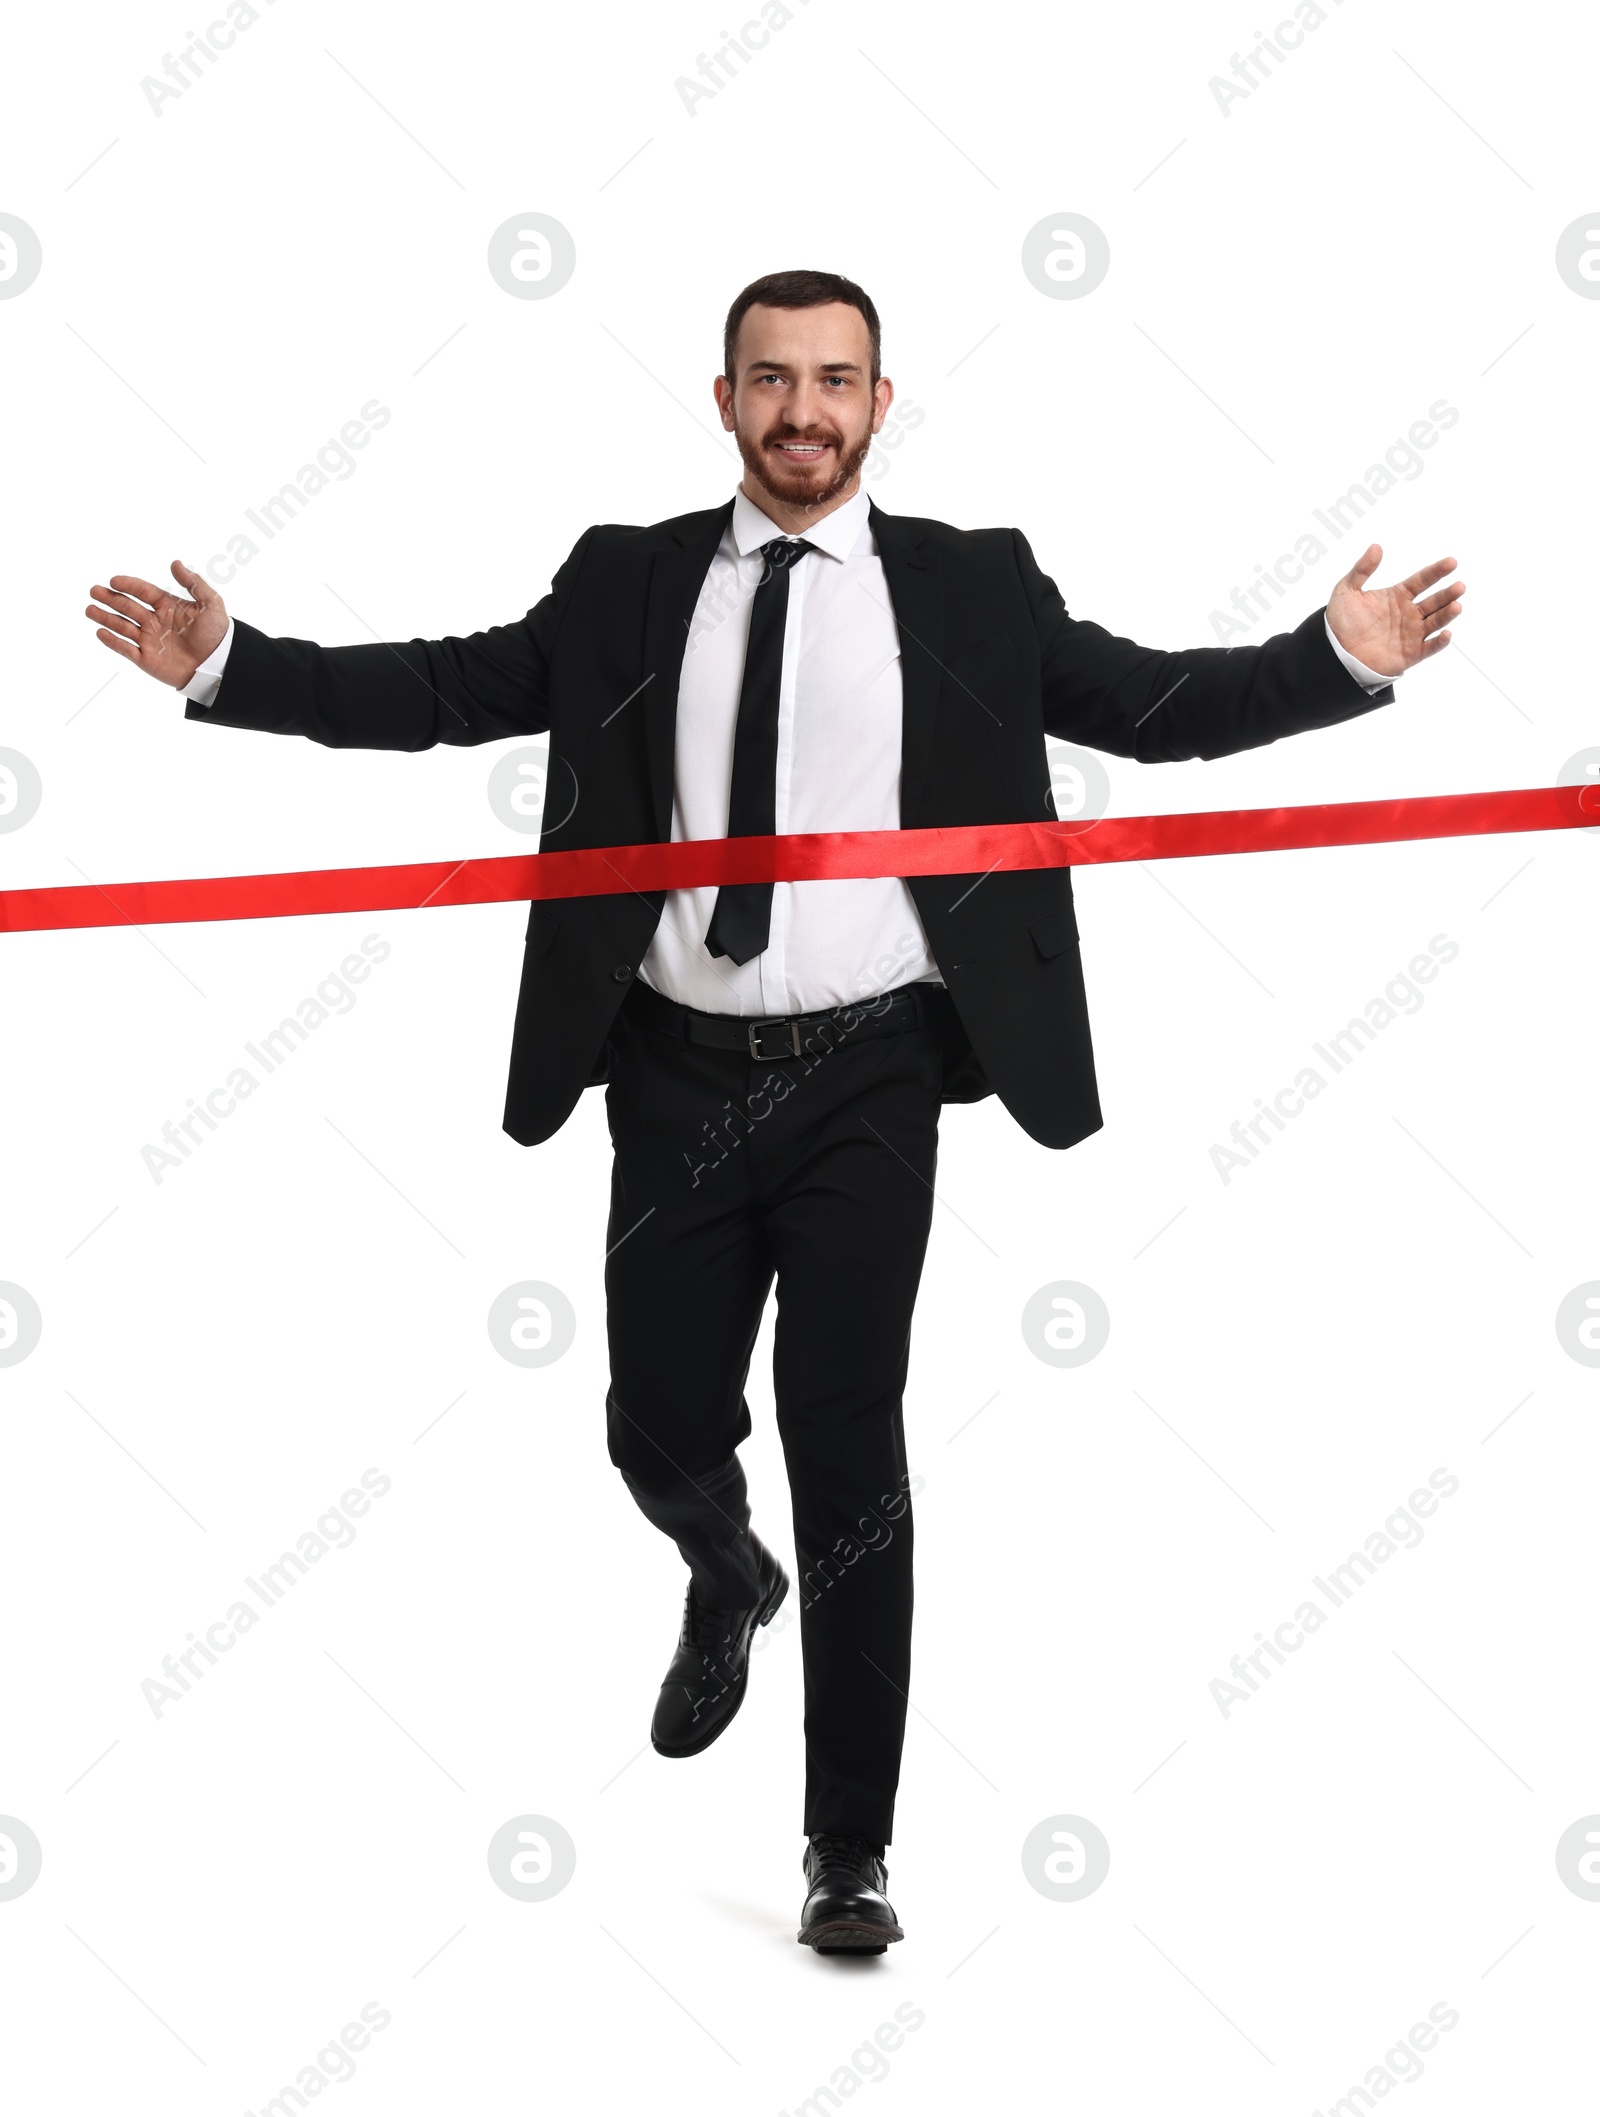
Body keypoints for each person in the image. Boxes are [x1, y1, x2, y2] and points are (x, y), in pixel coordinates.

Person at [83, 267, 1464, 1954]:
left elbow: (1154, 710)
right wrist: (231, 664)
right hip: (669, 1067)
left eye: (834, 379)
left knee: (850, 1439)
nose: (802, 409)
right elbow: (446, 690)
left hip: (872, 1073)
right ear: (723, 399)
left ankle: (849, 1849)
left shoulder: (972, 586)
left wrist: (1336, 659)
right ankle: (725, 1566)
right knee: (653, 1425)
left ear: (884, 402)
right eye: (770, 380)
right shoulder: (628, 579)